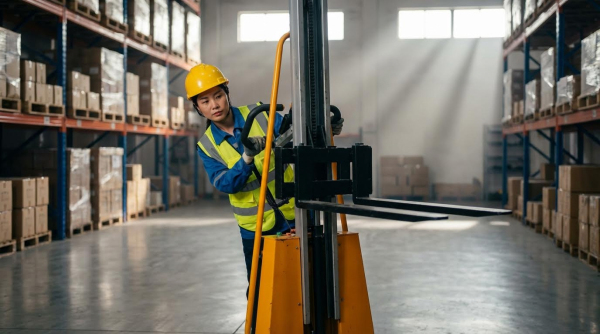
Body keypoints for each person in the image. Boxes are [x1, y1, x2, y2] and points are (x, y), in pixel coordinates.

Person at [185, 63, 344, 287]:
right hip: (256, 228)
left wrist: (325, 129)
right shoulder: (207, 146)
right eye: (205, 101)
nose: (214, 105)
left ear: (227, 94)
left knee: (309, 280)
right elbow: (225, 183)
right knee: (261, 289)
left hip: (294, 214)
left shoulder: (259, 114)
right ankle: (257, 324)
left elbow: (295, 136)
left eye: (218, 96)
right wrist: (246, 158)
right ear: (197, 108)